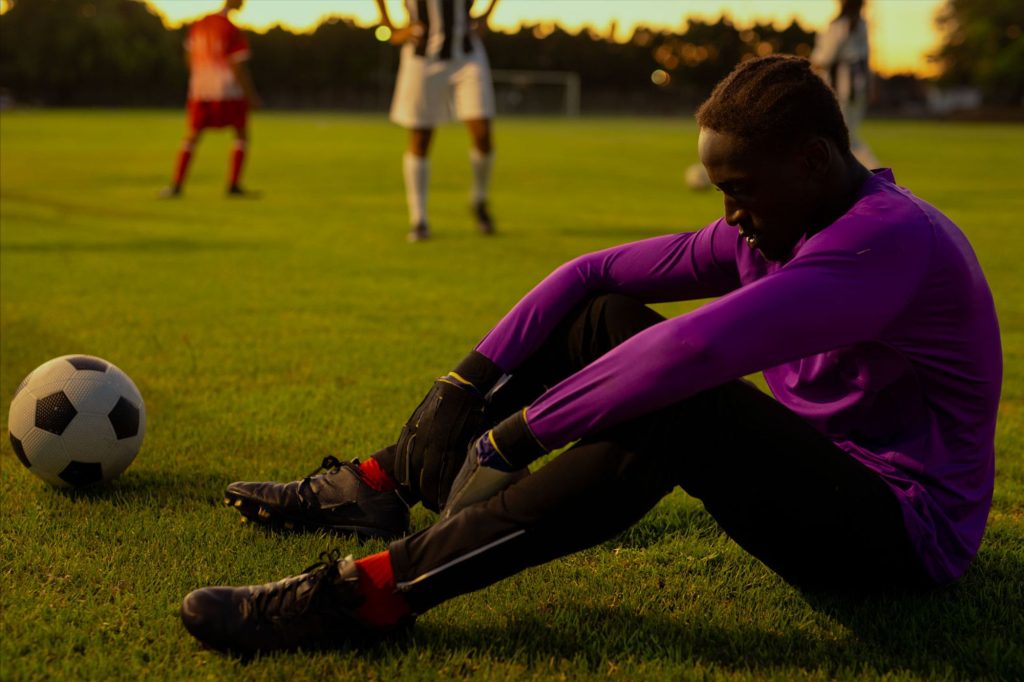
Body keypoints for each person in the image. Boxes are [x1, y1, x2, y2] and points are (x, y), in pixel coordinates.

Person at [180, 56, 1001, 655]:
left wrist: (519, 434)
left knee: (679, 398)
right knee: (603, 316)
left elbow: (696, 344)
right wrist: (464, 383)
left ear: (814, 161)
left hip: (902, 537)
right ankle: (380, 483)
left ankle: (371, 596)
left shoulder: (888, 240)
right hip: (821, 482)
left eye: (741, 188)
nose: (730, 214)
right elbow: (590, 275)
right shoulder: (775, 226)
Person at [376, 0, 500, 242]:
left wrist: (487, 15)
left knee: (482, 131)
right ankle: (419, 219)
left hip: (466, 53)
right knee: (421, 137)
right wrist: (389, 26)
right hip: (422, 55)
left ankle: (479, 199)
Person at [160, 0, 260, 198]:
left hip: (200, 89)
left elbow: (188, 56)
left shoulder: (200, 24)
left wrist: (201, 75)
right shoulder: (231, 29)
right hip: (227, 90)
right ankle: (233, 185)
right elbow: (237, 66)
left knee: (192, 136)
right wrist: (251, 95)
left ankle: (177, 185)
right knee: (241, 134)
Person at [811, 0, 881, 169]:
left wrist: (810, 66)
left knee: (845, 136)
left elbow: (825, 56)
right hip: (858, 84)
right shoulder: (861, 24)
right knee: (846, 134)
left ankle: (872, 172)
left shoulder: (840, 25)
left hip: (843, 85)